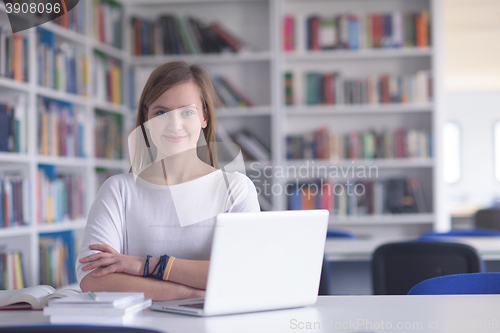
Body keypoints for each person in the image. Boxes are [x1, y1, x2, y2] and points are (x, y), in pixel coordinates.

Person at [76, 61, 260, 301]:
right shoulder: (119, 190)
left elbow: (244, 271)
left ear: (204, 116)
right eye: (161, 113)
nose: (174, 126)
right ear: (146, 117)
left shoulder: (235, 188)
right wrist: (187, 293)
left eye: (187, 112)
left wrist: (143, 266)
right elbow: (91, 277)